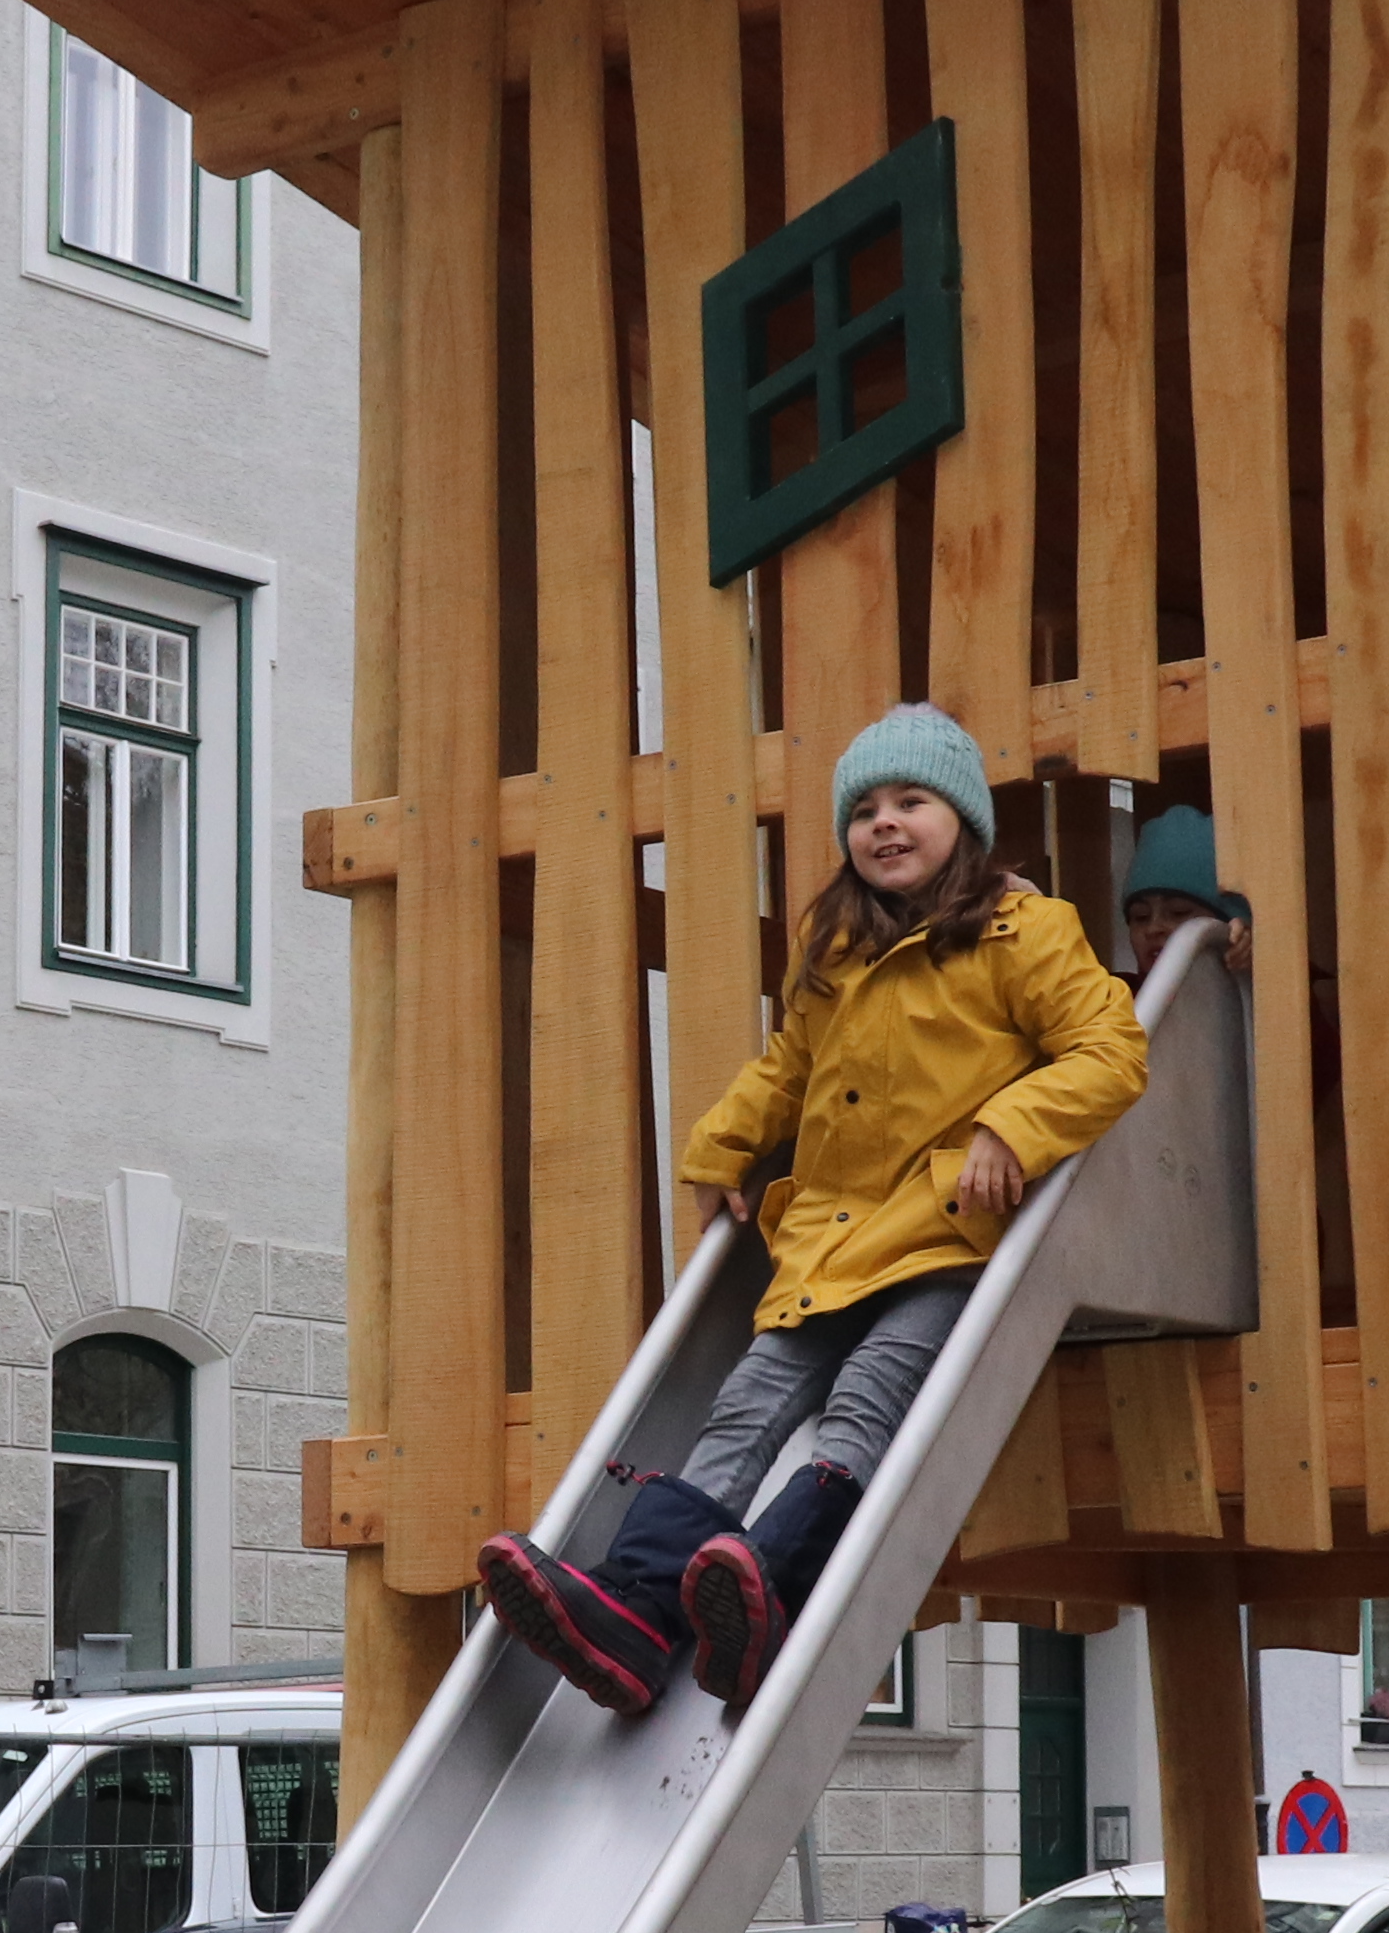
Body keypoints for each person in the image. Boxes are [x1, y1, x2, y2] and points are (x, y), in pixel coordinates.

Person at [480, 705, 1146, 1716]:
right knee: (743, 1410)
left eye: (911, 802)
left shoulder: (1023, 933)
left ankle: (765, 1588)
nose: (886, 824)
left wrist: (1010, 1128)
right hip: (828, 1241)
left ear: (961, 819)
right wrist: (722, 1145)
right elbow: (789, 1066)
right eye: (865, 809)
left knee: (865, 1403)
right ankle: (635, 1616)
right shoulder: (838, 944)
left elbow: (1110, 1050)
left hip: (943, 1238)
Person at [1117, 801, 1253, 983]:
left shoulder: (1269, 996)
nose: (1153, 929)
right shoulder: (1111, 1001)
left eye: (1178, 912)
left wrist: (1258, 959)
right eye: (1141, 917)